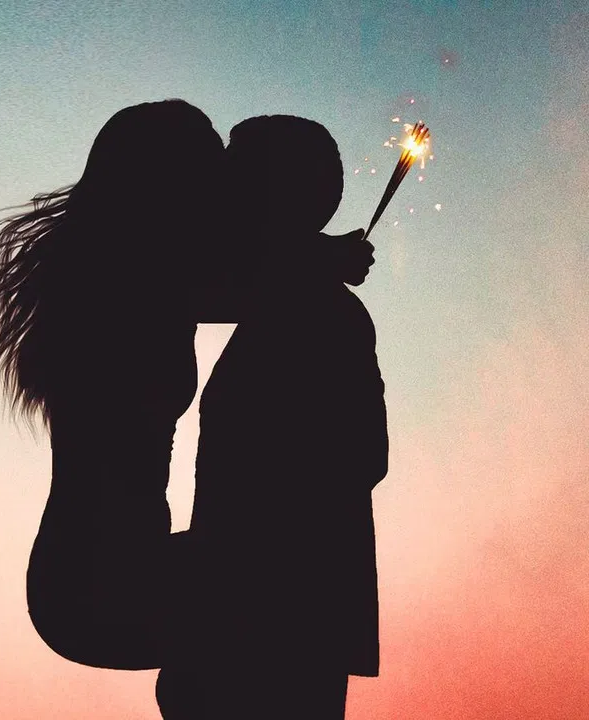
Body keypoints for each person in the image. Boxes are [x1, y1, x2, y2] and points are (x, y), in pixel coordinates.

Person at [0, 100, 374, 699]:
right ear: (166, 182)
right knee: (293, 593)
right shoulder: (126, 277)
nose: (224, 182)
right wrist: (317, 257)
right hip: (100, 580)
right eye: (211, 164)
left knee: (289, 595)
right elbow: (223, 282)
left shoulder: (132, 273)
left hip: (108, 569)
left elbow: (232, 283)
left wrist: (313, 259)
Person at [185, 115, 388, 719]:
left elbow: (360, 458)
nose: (214, 202)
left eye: (235, 182)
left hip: (269, 621)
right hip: (282, 621)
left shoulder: (312, 312)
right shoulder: (299, 299)